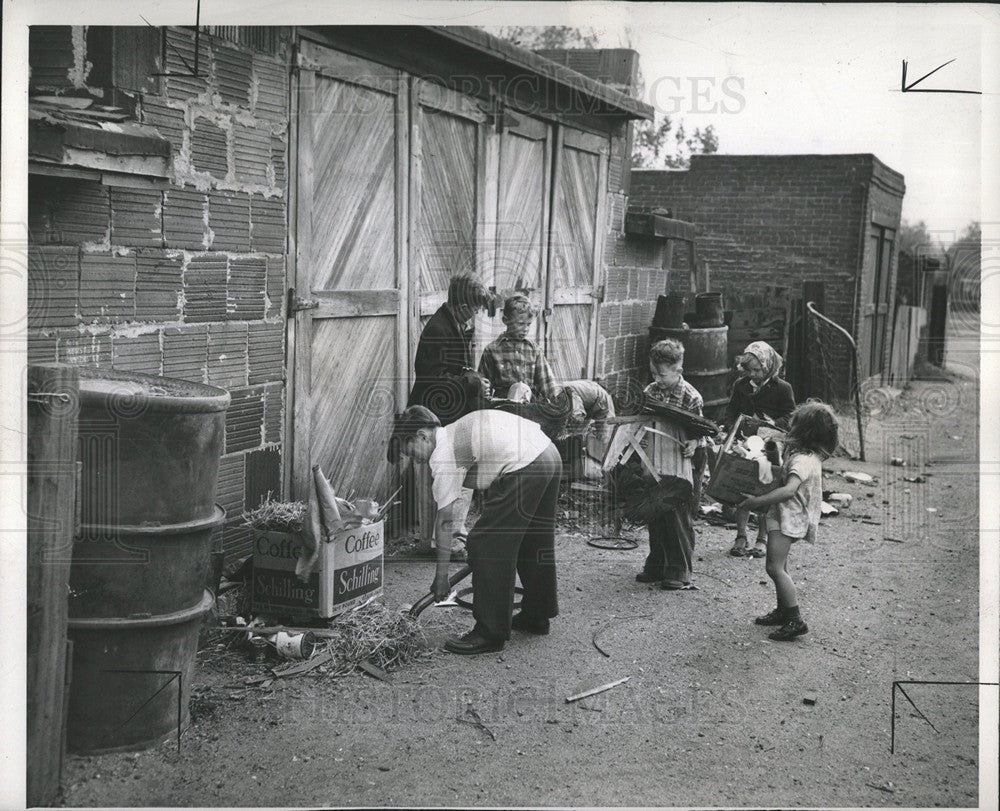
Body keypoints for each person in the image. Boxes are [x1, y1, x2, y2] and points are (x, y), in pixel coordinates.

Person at [390, 405, 561, 655]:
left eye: (413, 453)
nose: (417, 461)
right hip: (548, 454)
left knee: (485, 544)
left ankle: (489, 633)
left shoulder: (443, 453)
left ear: (422, 436)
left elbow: (445, 521)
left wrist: (441, 579)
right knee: (532, 540)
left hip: (529, 464)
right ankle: (537, 615)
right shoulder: (456, 432)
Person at [403, 273, 493, 558]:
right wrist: (471, 382)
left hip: (449, 414)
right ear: (461, 303)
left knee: (453, 478)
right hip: (436, 415)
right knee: (448, 479)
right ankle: (445, 541)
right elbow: (433, 380)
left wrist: (473, 376)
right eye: (474, 307)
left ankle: (446, 538)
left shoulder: (456, 324)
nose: (477, 313)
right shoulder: (439, 329)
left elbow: (455, 369)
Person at [737, 401, 838, 641]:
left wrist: (756, 501)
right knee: (779, 566)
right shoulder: (805, 455)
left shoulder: (804, 460)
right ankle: (784, 610)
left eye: (794, 426)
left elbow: (789, 490)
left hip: (789, 517)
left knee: (774, 567)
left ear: (804, 432)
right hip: (784, 515)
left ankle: (795, 619)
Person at [636, 338, 703, 590]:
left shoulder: (691, 396)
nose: (657, 379)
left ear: (678, 370)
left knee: (677, 515)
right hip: (656, 459)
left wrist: (695, 442)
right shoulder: (650, 392)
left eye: (662, 374)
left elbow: (701, 430)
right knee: (656, 513)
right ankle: (657, 565)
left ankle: (680, 570)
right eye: (653, 373)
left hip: (682, 459)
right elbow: (643, 424)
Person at [723, 341, 796, 558]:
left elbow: (791, 416)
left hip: (772, 442)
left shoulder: (783, 388)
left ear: (769, 366)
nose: (753, 374)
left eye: (758, 370)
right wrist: (733, 428)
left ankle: (762, 538)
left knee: (766, 486)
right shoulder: (741, 385)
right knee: (742, 483)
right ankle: (741, 535)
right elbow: (731, 411)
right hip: (747, 440)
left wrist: (768, 426)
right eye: (749, 370)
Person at [478, 294, 561, 404]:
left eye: (528, 324)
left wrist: (556, 401)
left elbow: (547, 383)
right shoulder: (492, 350)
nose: (525, 329)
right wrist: (483, 390)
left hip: (529, 405)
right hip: (503, 406)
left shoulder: (534, 351)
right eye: (521, 324)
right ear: (505, 320)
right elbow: (483, 385)